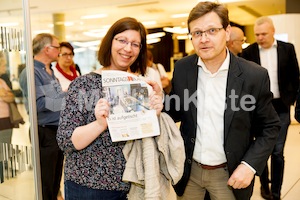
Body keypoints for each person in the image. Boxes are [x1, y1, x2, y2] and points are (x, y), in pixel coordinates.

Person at [164, 1, 281, 199]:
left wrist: (249, 166)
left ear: (226, 32)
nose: (204, 39)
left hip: (229, 174)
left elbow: (270, 127)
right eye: (197, 33)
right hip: (190, 172)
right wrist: (157, 101)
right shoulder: (183, 68)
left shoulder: (254, 75)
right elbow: (176, 109)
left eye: (212, 30)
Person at [56, 17, 163, 200]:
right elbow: (65, 141)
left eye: (135, 44)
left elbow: (148, 137)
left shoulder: (140, 85)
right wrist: (99, 124)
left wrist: (155, 112)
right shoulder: (84, 84)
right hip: (88, 186)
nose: (128, 48)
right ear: (109, 42)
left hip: (131, 185)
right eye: (122, 40)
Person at [241, 16, 299, 200]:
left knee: (278, 151)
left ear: (273, 31)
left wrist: (291, 99)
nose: (260, 37)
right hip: (259, 108)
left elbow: (295, 76)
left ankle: (276, 192)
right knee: (262, 148)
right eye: (257, 34)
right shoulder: (249, 52)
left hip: (281, 106)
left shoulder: (287, 49)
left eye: (264, 33)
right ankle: (264, 185)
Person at [19, 33, 65, 200]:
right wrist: (65, 96)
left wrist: (59, 98)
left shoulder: (49, 71)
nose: (59, 52)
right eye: (57, 47)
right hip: (44, 132)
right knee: (45, 182)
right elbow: (39, 105)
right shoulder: (31, 72)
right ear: (47, 49)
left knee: (55, 181)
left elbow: (52, 100)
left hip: (57, 131)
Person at [0, 51, 15, 183]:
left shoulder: (2, 80)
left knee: (5, 145)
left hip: (6, 118)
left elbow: (10, 97)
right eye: (3, 65)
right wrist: (5, 95)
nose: (5, 68)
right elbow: (6, 96)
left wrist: (5, 94)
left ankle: (4, 166)